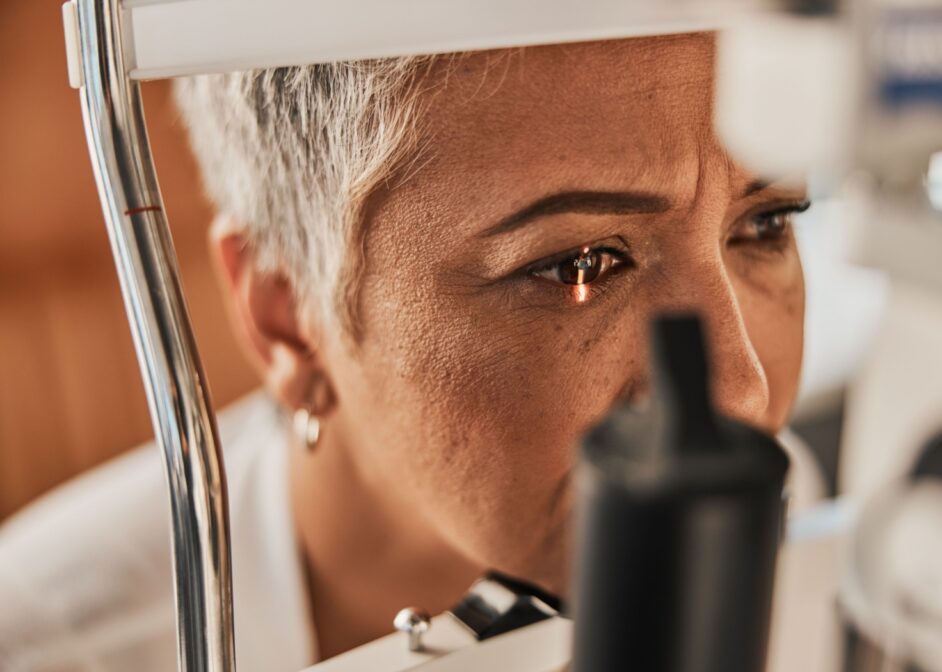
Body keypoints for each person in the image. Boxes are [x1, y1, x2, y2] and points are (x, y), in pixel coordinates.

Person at [0, 33, 814, 670]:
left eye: (765, 224)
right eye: (581, 266)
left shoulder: (784, 521)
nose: (741, 396)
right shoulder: (48, 649)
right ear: (289, 319)